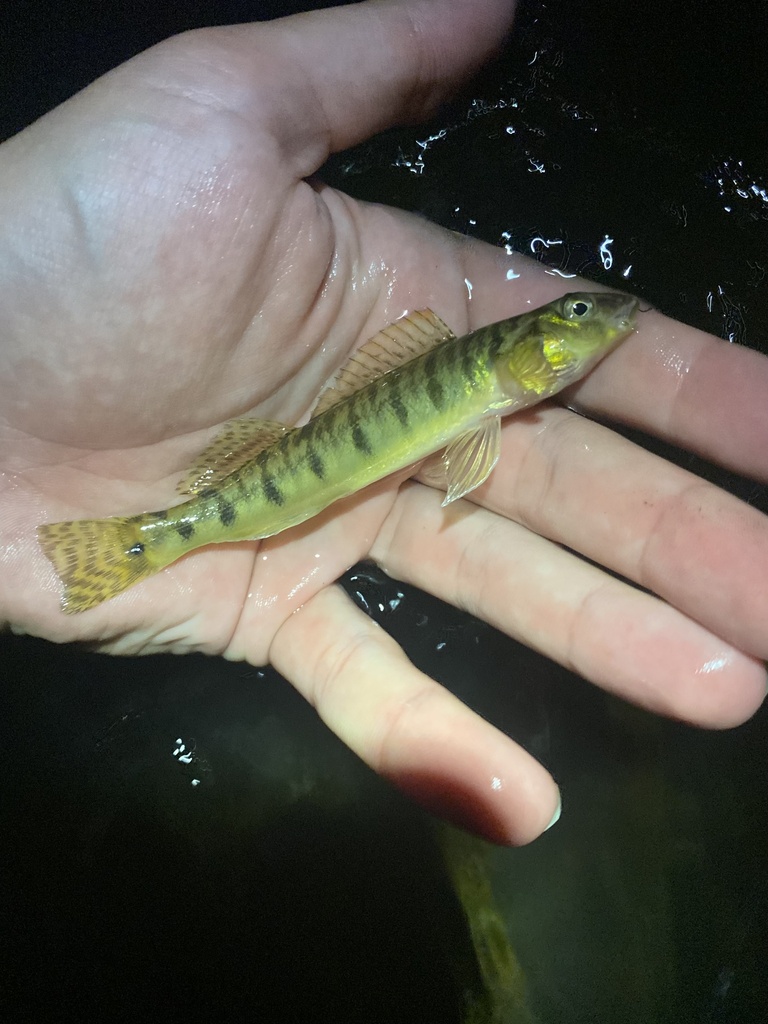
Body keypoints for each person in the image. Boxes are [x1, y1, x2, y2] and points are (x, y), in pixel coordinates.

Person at [1, 0, 765, 846]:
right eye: (578, 314)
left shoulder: (493, 389)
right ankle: (138, 540)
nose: (597, 320)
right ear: (531, 349)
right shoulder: (492, 381)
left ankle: (143, 540)